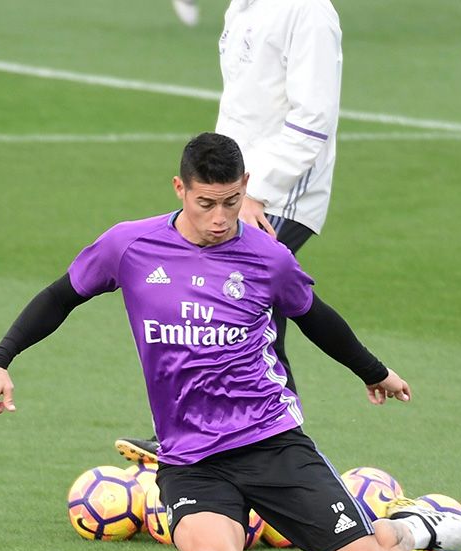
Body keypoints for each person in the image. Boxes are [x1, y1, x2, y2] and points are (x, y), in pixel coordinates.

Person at [0, 133, 461, 551]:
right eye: (206, 203)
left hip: (271, 440)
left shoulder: (267, 256)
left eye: (232, 202)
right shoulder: (131, 245)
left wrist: (375, 372)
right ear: (179, 190)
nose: (221, 219)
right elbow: (60, 295)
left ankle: (419, 525)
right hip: (192, 458)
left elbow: (316, 317)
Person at [119, 0, 343, 462]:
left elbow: (313, 116)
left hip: (277, 193)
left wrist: (254, 190)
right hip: (238, 190)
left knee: (243, 322)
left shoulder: (308, 11)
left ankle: (279, 463)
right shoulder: (241, 6)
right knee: (244, 323)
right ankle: (226, 447)